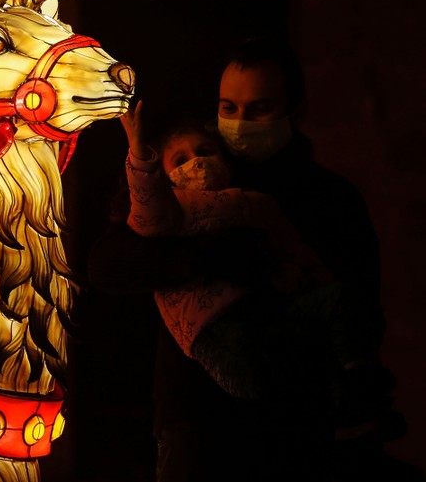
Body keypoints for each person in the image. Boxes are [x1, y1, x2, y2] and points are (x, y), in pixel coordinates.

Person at [88, 36, 421, 482]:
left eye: (259, 109)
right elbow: (108, 264)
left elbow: (358, 309)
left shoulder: (331, 200)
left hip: (300, 430)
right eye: (229, 108)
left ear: (294, 112)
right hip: (197, 424)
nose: (240, 122)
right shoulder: (184, 176)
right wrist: (208, 257)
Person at [120, 98, 390, 414]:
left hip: (270, 309)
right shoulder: (173, 209)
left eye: (205, 152)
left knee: (335, 308)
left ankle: (358, 389)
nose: (197, 163)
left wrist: (312, 280)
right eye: (180, 160)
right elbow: (147, 207)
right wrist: (139, 150)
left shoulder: (259, 203)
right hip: (213, 325)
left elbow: (294, 246)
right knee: (252, 376)